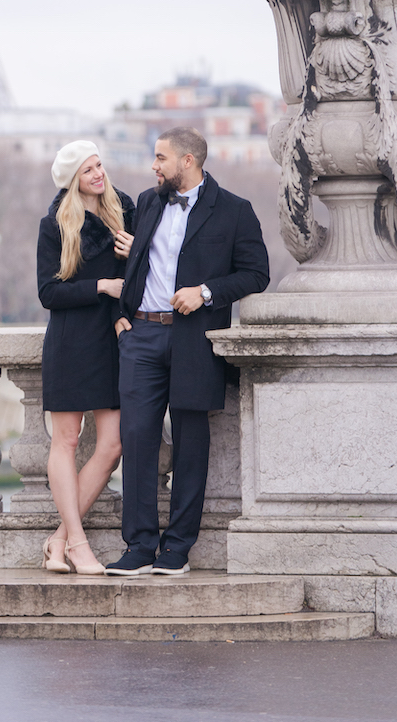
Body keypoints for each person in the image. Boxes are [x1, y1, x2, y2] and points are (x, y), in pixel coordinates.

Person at [106, 126, 269, 577]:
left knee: (190, 446)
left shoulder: (235, 211)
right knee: (136, 440)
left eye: (160, 158)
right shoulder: (148, 202)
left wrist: (206, 292)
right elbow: (138, 262)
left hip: (195, 340)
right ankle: (138, 547)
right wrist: (119, 315)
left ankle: (177, 549)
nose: (153, 166)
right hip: (141, 335)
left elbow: (257, 273)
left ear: (188, 162)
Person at [36, 139, 135, 576]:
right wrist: (101, 287)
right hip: (72, 340)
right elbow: (47, 292)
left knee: (113, 443)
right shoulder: (55, 224)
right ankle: (78, 542)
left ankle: (59, 539)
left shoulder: (124, 210)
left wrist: (134, 256)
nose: (98, 173)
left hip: (111, 339)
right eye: (88, 169)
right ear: (74, 179)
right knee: (68, 441)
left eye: (99, 165)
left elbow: (146, 271)